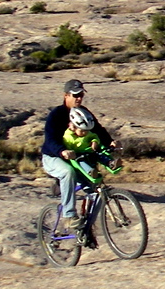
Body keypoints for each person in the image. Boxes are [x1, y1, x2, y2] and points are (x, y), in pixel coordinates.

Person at [41, 80, 115, 230]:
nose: (79, 98)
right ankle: (69, 216)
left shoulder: (83, 112)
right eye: (75, 95)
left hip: (78, 158)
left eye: (81, 95)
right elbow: (50, 140)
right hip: (53, 157)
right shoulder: (57, 115)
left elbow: (97, 129)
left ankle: (86, 229)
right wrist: (61, 151)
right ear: (66, 95)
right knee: (68, 172)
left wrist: (109, 142)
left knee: (96, 189)